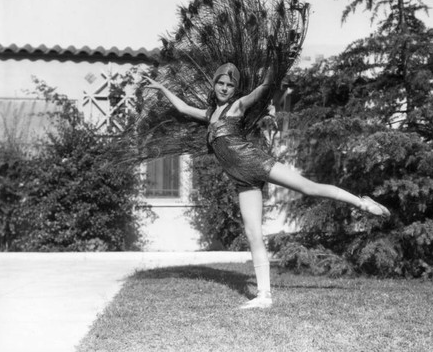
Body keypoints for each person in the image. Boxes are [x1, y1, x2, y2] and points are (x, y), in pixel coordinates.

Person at [142, 62, 390, 309]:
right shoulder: (209, 115)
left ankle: (362, 203)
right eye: (221, 83)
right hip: (242, 181)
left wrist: (273, 68)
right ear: (214, 84)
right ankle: (264, 296)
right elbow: (184, 108)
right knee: (253, 234)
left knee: (308, 187)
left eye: (230, 85)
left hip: (258, 163)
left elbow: (260, 91)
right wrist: (161, 88)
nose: (225, 88)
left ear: (234, 89)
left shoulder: (236, 106)